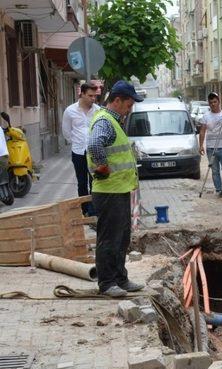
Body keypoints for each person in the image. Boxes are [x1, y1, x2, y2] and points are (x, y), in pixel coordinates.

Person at [87, 80, 145, 298]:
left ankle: (121, 278)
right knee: (109, 238)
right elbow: (94, 144)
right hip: (109, 190)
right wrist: (102, 165)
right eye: (128, 105)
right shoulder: (104, 121)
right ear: (117, 100)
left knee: (121, 237)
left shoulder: (113, 120)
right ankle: (107, 282)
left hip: (118, 189)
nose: (130, 109)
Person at [62, 83, 100, 216]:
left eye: (95, 96)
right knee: (82, 182)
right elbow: (66, 132)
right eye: (90, 95)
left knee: (95, 181)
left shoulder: (98, 110)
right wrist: (76, 142)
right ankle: (85, 210)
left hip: (94, 152)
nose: (93, 98)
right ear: (82, 94)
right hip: (78, 152)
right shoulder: (70, 111)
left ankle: (94, 209)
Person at [198, 92, 222, 198]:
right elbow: (202, 131)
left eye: (215, 102)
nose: (213, 104)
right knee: (215, 171)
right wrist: (201, 145)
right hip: (211, 148)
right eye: (211, 102)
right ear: (209, 104)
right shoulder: (206, 116)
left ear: (219, 102)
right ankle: (219, 190)